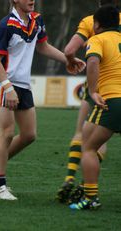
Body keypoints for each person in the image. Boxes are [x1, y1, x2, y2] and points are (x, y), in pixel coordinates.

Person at [0, 0, 86, 200]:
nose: (32, 0)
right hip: (4, 84)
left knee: (29, 135)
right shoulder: (5, 25)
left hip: (24, 86)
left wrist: (67, 59)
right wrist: (8, 88)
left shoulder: (36, 20)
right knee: (8, 132)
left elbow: (43, 47)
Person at [56, 0, 121, 204]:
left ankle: (86, 191)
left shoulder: (95, 30)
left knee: (88, 142)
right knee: (92, 136)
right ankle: (85, 186)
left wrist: (92, 91)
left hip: (107, 97)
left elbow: (77, 54)